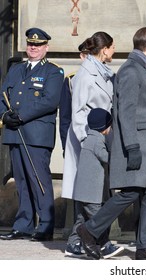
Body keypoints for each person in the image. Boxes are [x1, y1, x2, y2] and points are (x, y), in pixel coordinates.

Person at [76, 27, 146, 260]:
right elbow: (126, 112)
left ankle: (145, 246)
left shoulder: (143, 67)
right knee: (130, 193)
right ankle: (89, 231)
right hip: (138, 144)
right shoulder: (131, 69)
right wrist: (131, 146)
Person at [0, 27, 64, 241]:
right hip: (15, 132)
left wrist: (21, 115)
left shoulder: (54, 72)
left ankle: (45, 226)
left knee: (39, 180)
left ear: (46, 47)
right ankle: (23, 225)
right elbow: (3, 95)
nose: (33, 48)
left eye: (37, 45)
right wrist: (4, 116)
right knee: (21, 182)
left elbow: (50, 100)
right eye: (30, 44)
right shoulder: (16, 70)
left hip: (36, 135)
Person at [61, 31, 118, 258]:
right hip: (87, 139)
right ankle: (87, 240)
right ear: (104, 49)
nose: (114, 51)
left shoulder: (103, 72)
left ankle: (77, 241)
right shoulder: (86, 74)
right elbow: (77, 112)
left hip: (99, 137)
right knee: (88, 192)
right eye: (113, 47)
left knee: (92, 191)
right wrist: (88, 141)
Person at [71, 108, 124, 259]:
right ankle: (106, 246)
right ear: (105, 127)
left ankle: (73, 244)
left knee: (81, 219)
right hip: (91, 192)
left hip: (82, 191)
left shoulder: (89, 138)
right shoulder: (97, 140)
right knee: (99, 219)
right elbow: (106, 158)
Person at [59, 42, 89, 156]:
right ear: (82, 56)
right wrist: (65, 145)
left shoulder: (110, 78)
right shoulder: (71, 80)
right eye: (87, 55)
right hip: (77, 138)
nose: (90, 58)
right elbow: (65, 117)